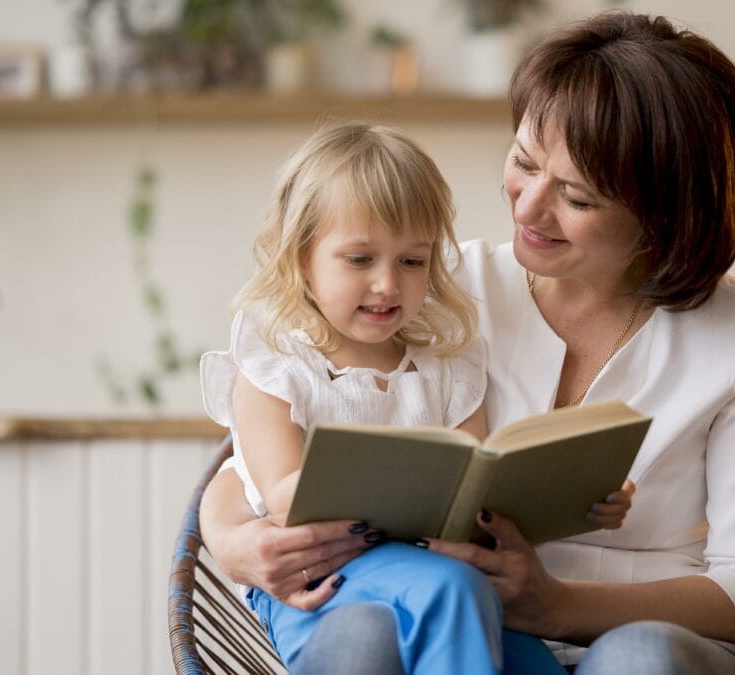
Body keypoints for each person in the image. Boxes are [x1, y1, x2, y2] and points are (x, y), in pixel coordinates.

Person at [200, 10, 735, 674]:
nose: (526, 208)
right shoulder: (433, 289)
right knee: (367, 637)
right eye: (523, 162)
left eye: (576, 198)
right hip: (461, 631)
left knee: (636, 658)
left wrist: (555, 605)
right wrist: (234, 540)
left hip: (669, 651)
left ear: (664, 219)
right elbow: (266, 451)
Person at [199, 122, 634, 675]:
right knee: (454, 587)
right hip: (321, 580)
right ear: (301, 257)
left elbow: (476, 488)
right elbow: (286, 498)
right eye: (359, 260)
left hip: (431, 572)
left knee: (526, 655)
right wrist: (398, 482)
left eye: (412, 261)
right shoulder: (275, 366)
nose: (387, 283)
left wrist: (577, 491)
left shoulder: (448, 369)